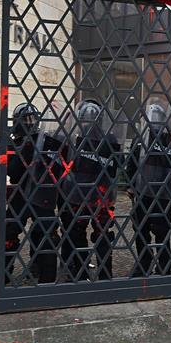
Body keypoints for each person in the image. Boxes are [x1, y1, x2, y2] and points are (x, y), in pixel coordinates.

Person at [1, 103, 63, 284]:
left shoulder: (20, 143)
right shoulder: (50, 141)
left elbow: (13, 171)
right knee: (45, 234)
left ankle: (6, 274)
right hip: (44, 195)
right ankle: (45, 277)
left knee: (12, 233)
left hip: (21, 196)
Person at [59, 99, 121, 280]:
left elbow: (64, 164)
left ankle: (80, 271)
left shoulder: (74, 137)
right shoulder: (109, 137)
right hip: (100, 195)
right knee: (102, 234)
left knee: (78, 232)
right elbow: (114, 167)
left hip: (79, 194)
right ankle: (104, 274)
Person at [126, 98, 171, 277]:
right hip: (143, 192)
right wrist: (130, 185)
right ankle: (145, 262)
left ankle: (163, 265)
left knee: (161, 231)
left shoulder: (168, 140)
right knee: (141, 229)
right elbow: (132, 162)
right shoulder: (141, 139)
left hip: (162, 193)